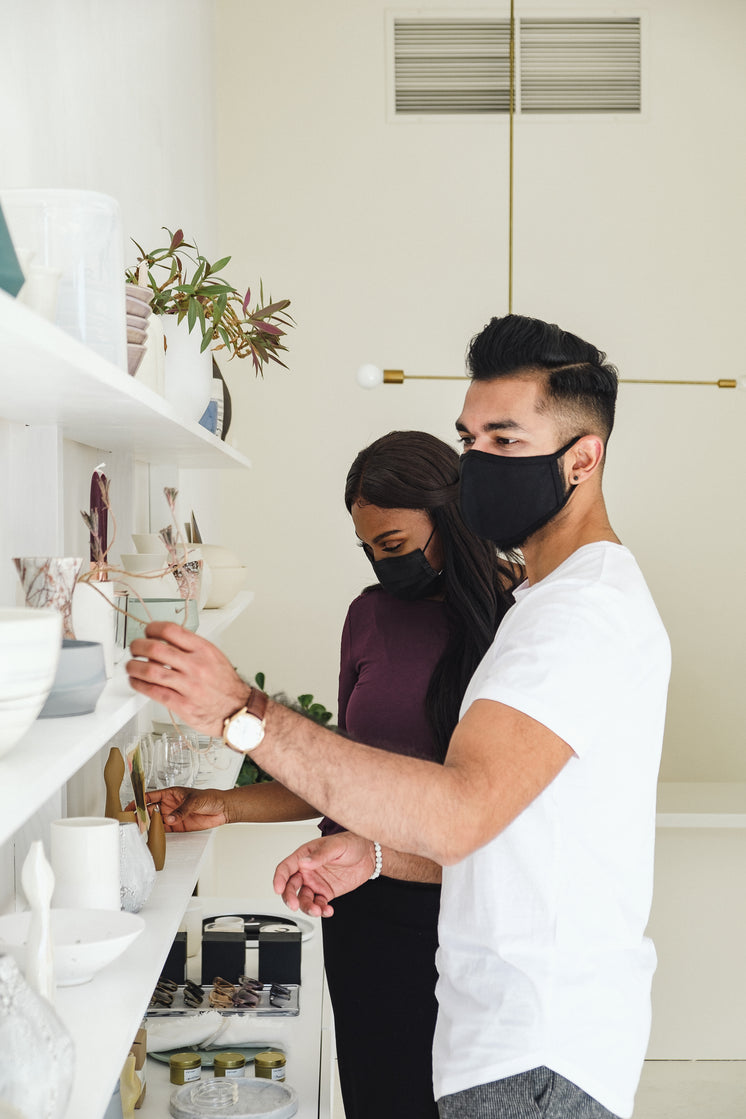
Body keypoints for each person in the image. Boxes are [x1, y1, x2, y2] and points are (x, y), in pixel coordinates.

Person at [127, 314, 671, 1119]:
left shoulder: (580, 616)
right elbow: (504, 833)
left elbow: (455, 815)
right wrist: (376, 858)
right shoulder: (546, 604)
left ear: (582, 459)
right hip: (505, 1041)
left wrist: (241, 714)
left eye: (507, 440)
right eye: (470, 437)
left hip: (535, 1055)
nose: (478, 460)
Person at [141, 430, 518, 1119]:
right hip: (363, 909)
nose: (382, 564)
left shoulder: (521, 623)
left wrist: (377, 852)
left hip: (470, 914)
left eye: (395, 545)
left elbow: (504, 820)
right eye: (369, 549)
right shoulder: (369, 618)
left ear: (453, 513)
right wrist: (224, 804)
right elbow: (338, 771)